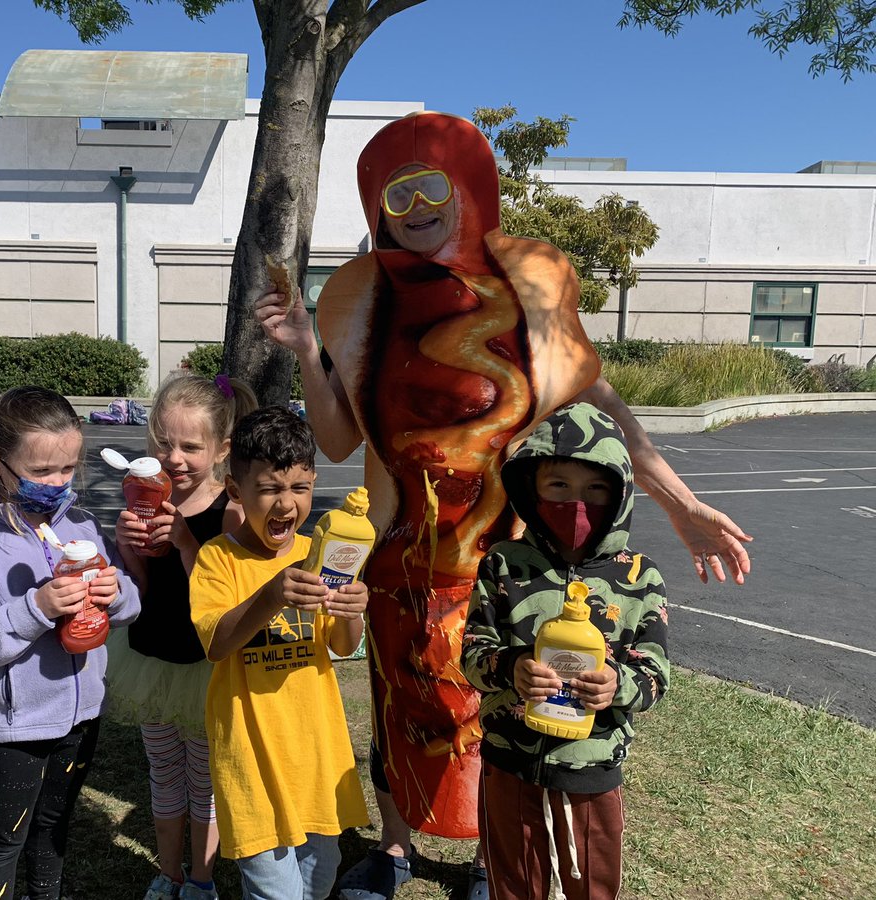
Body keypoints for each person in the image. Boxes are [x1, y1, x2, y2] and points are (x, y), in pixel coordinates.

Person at [254, 110, 750, 900]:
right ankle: (393, 849)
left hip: (504, 561)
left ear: (470, 187)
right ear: (374, 204)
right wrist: (307, 352)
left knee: (503, 710)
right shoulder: (362, 299)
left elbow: (607, 414)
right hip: (400, 555)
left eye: (431, 185)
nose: (415, 207)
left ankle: (492, 860)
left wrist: (681, 501)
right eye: (395, 193)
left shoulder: (526, 286)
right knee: (398, 707)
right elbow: (342, 439)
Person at [0, 386, 141, 900]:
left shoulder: (83, 527)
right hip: (14, 727)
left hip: (81, 714)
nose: (57, 483)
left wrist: (116, 594)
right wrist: (36, 609)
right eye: (41, 471)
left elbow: (131, 607)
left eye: (68, 469)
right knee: (5, 838)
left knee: (53, 825)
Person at [460, 401, 669, 899]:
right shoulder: (504, 566)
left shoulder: (640, 579)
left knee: (591, 884)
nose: (577, 504)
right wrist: (510, 667)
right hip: (510, 760)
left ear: (619, 494)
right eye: (559, 487)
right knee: (513, 881)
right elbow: (472, 651)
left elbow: (656, 674)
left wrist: (620, 682)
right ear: (531, 489)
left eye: (596, 489)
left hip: (591, 768)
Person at [188, 406, 370, 900]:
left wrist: (353, 609)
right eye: (269, 489)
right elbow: (217, 643)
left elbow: (342, 645)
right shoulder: (217, 560)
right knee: (277, 893)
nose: (287, 504)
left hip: (317, 757)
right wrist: (270, 596)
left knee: (320, 876)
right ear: (236, 492)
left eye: (300, 488)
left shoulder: (321, 553)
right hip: (251, 760)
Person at [106, 373, 258, 900]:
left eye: (191, 446)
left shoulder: (233, 511)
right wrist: (129, 551)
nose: (175, 458)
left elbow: (225, 599)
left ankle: (201, 880)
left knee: (207, 784)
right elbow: (141, 594)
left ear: (221, 450)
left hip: (206, 666)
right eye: (163, 443)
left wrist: (186, 540)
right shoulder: (146, 499)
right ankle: (167, 873)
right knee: (165, 775)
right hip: (152, 656)